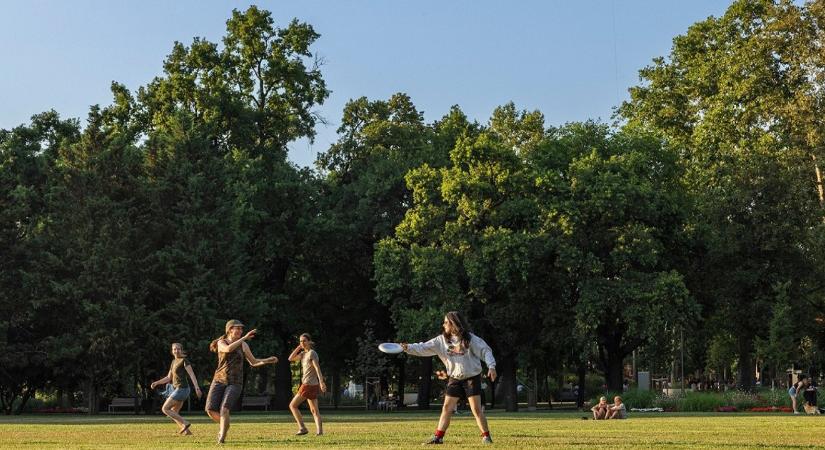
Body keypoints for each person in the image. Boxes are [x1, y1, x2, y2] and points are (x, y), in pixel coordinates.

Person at [401, 311, 497, 445]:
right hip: (454, 379)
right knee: (446, 407)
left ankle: (486, 437)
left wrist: (491, 366)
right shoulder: (441, 341)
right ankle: (438, 438)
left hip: (471, 378)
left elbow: (485, 351)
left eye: (446, 322)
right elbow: (423, 347)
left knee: (476, 409)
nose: (443, 325)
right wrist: (407, 347)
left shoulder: (471, 339)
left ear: (454, 324)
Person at [205, 320, 278, 444]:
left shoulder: (243, 345)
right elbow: (228, 349)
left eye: (241, 329)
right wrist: (244, 337)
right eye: (237, 328)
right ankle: (225, 424)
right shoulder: (221, 342)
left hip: (235, 382)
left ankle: (222, 437)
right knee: (210, 409)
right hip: (219, 380)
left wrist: (267, 360)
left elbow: (253, 362)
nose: (240, 331)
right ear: (230, 330)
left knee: (224, 408)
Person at [149, 343, 202, 434]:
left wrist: (197, 388)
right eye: (174, 349)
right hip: (178, 389)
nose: (176, 351)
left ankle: (185, 423)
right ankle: (187, 432)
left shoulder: (184, 360)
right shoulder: (173, 362)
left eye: (178, 349)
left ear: (181, 350)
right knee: (174, 412)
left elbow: (192, 375)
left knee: (165, 409)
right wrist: (157, 383)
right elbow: (168, 378)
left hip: (182, 389)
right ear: (172, 351)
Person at [287, 333, 327, 436]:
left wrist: (321, 382)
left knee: (292, 405)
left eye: (304, 341)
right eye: (300, 341)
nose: (302, 343)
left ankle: (302, 428)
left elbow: (317, 368)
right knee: (314, 410)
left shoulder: (312, 353)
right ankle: (320, 432)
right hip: (311, 385)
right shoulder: (303, 354)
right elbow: (290, 358)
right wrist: (298, 347)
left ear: (309, 341)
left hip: (308, 385)